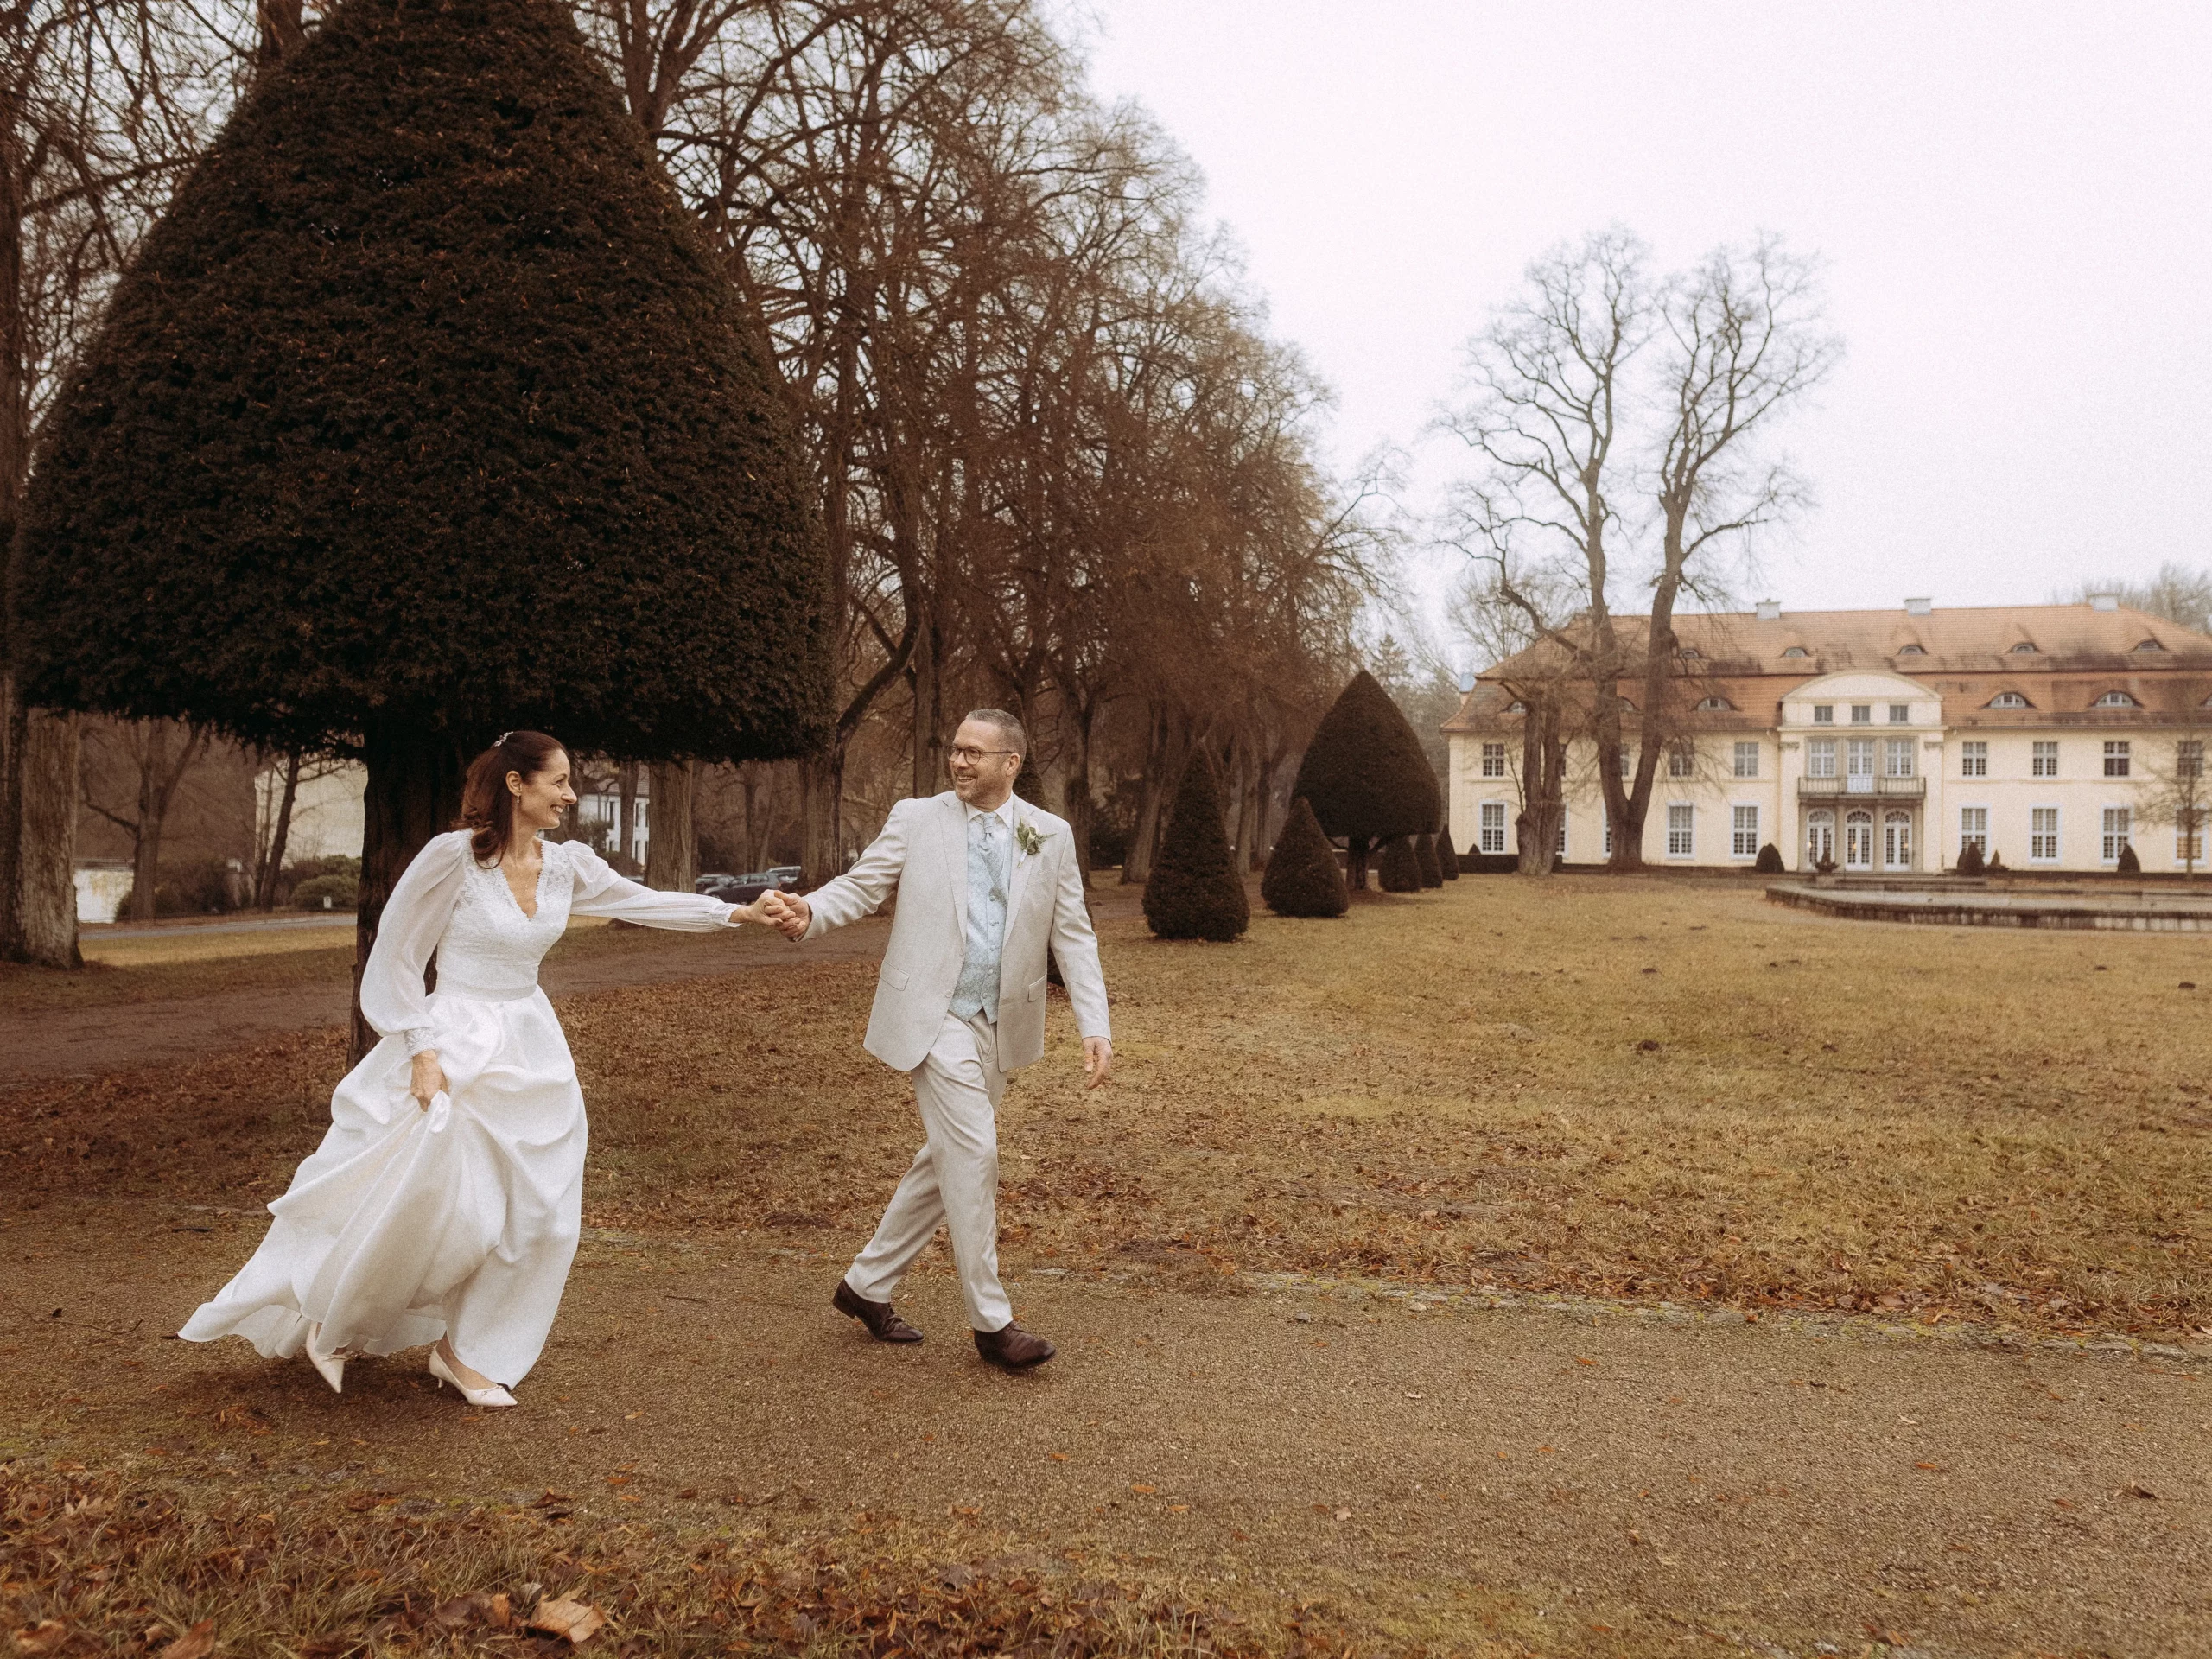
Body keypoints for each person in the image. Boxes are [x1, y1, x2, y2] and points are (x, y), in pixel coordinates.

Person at [181, 731, 771, 1406]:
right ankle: (340, 1315)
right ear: (517, 784)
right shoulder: (451, 859)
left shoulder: (567, 866)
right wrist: (422, 1052)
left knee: (544, 1217)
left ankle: (467, 1352)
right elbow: (397, 957)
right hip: (455, 1042)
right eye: (559, 781)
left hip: (532, 1048)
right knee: (437, 1207)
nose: (570, 796)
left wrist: (737, 911)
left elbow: (644, 902)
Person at [761, 709, 1110, 1370]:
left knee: (946, 1158)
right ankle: (992, 1324)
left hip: (1000, 1022)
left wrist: (1094, 1024)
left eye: (974, 752)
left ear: (1011, 763)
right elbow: (863, 886)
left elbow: (1073, 932)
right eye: (955, 749)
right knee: (975, 1152)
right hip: (932, 1015)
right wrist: (810, 911)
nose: (959, 761)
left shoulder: (1049, 834)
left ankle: (865, 1285)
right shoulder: (917, 819)